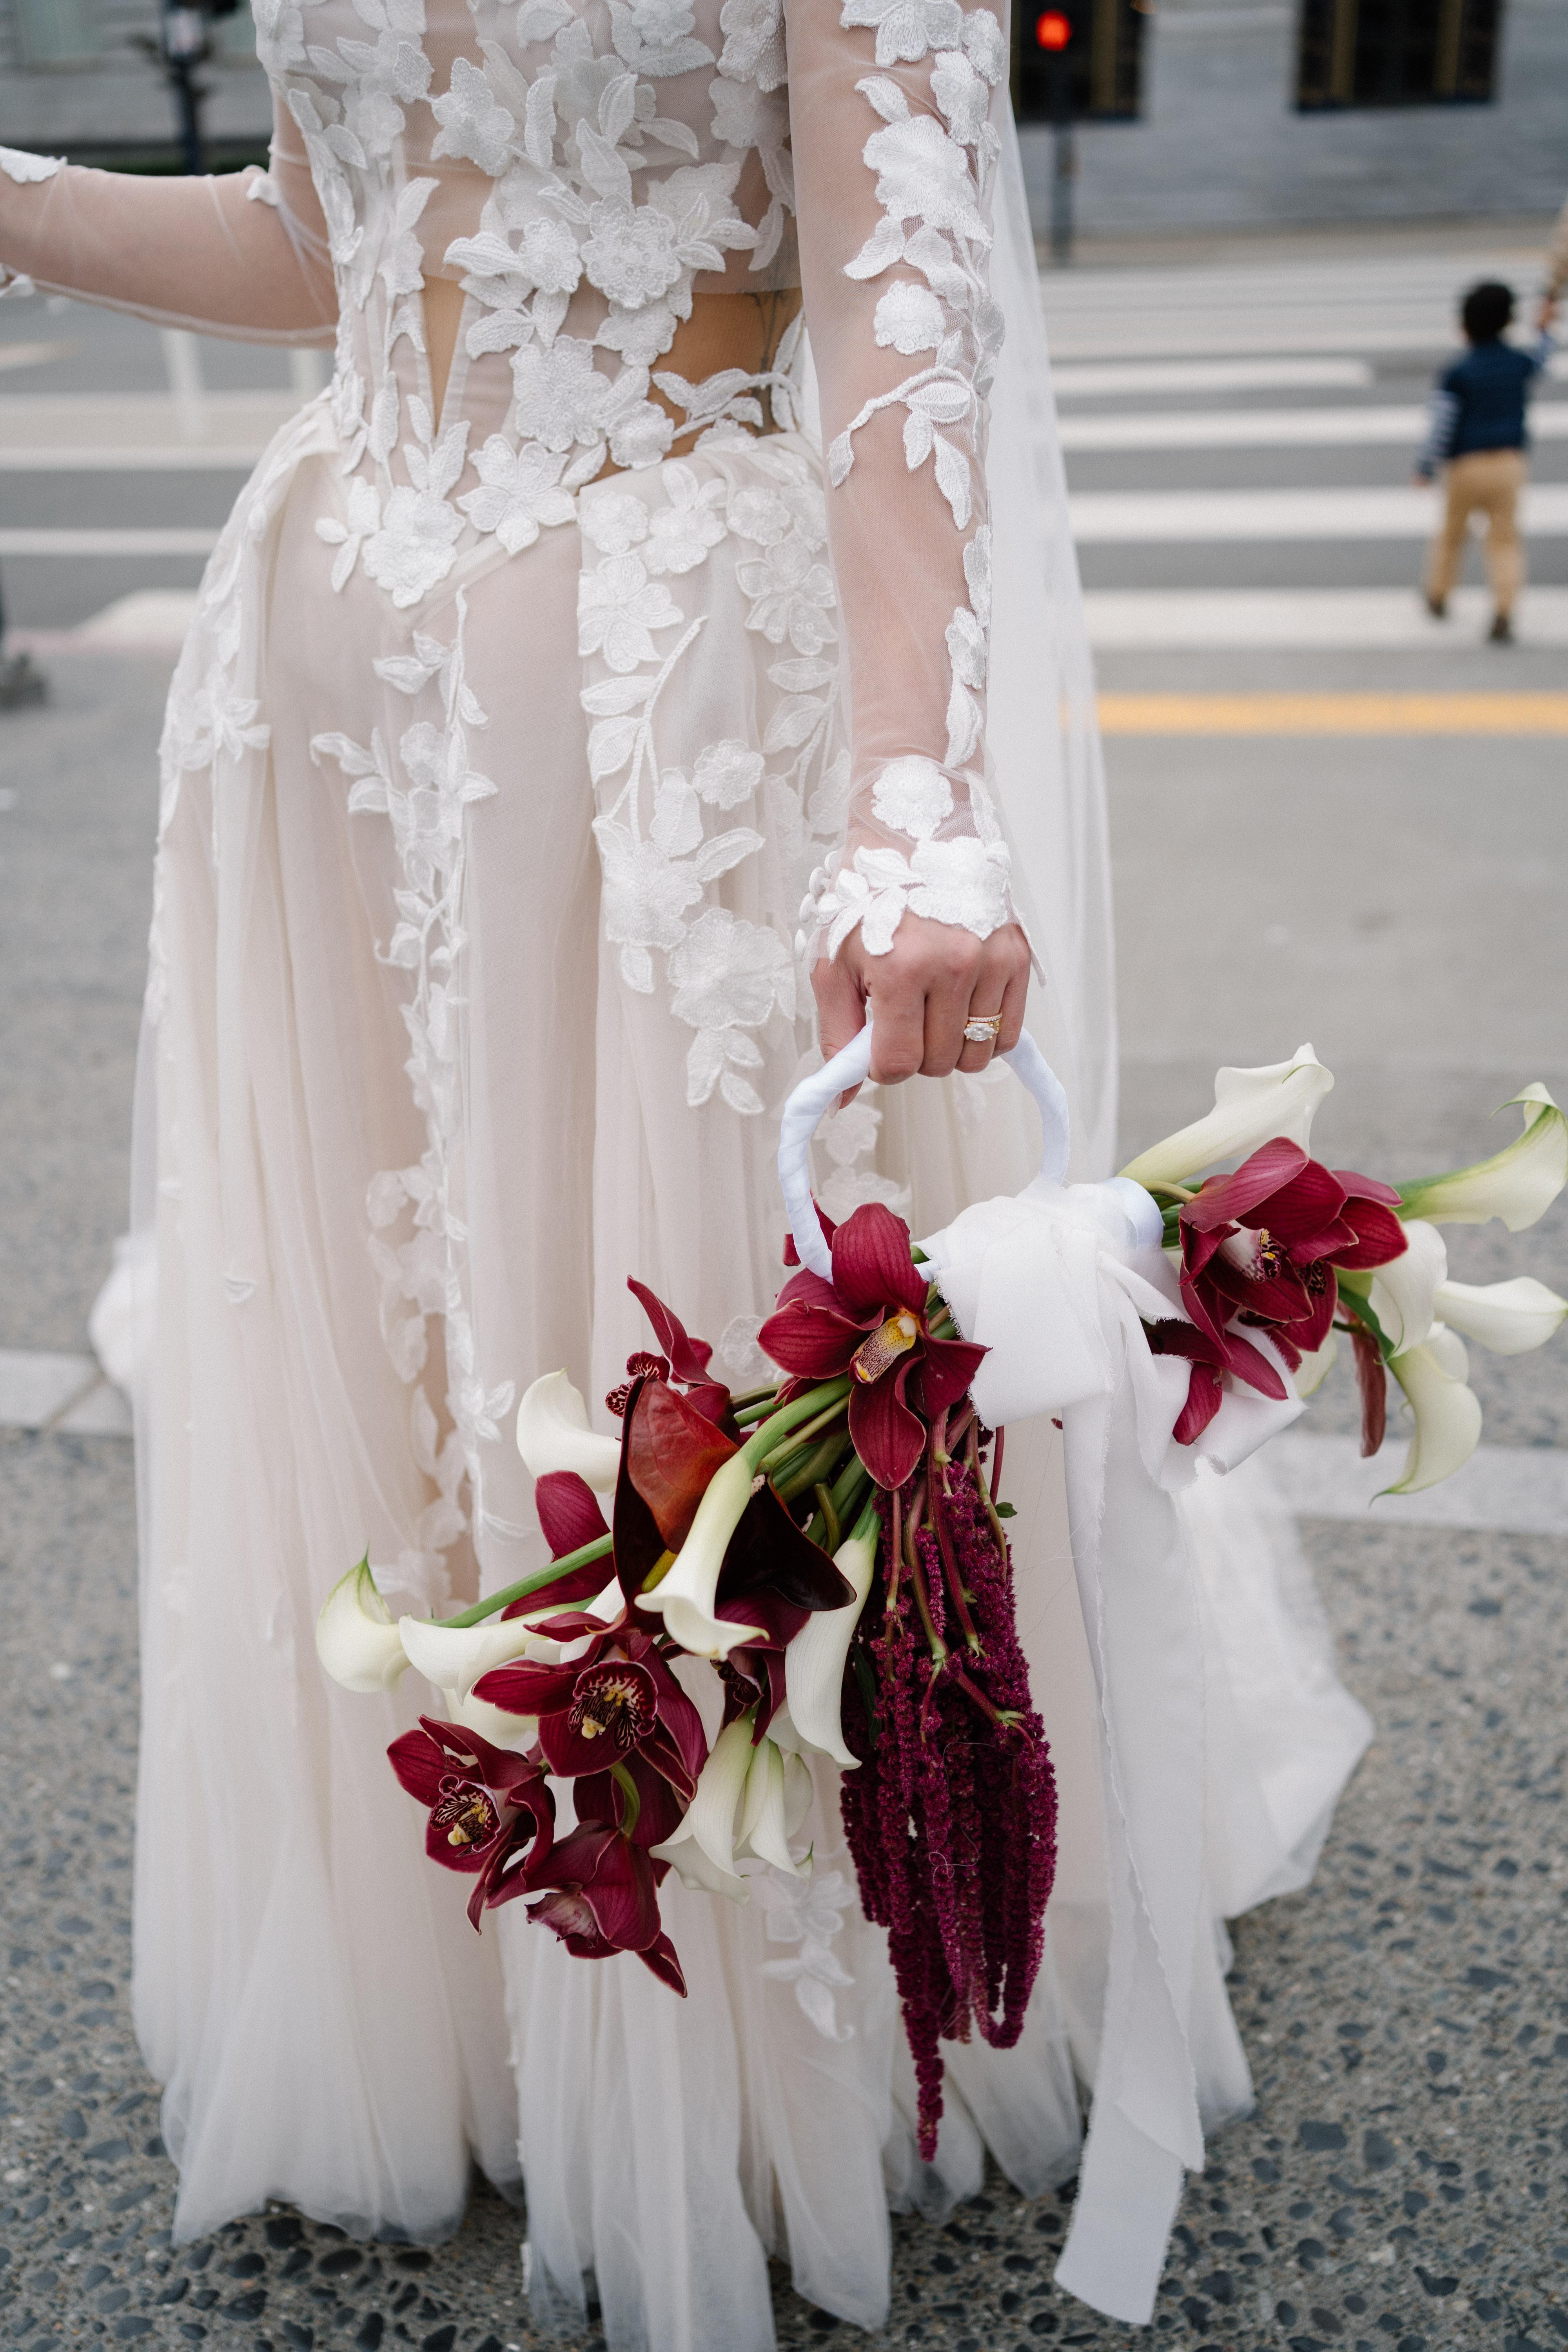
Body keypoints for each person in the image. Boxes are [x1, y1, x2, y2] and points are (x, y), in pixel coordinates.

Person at [0, 9, 1367, 2344]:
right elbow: (323, 240)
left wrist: (913, 793)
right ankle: (442, 1977)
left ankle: (743, 2038)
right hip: (322, 690)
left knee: (668, 1336)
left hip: (659, 697)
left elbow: (902, 303)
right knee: (392, 1329)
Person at [1414, 278, 1554, 644]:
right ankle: (1504, 609)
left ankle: (1439, 594)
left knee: (1452, 535)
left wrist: (1425, 466)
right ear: (1509, 322)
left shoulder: (1457, 372)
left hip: (1465, 466)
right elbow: (1542, 360)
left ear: (1464, 325)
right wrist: (1545, 329)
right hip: (1509, 463)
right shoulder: (1517, 363)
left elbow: (1443, 425)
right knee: (1505, 540)